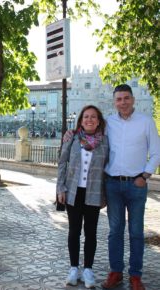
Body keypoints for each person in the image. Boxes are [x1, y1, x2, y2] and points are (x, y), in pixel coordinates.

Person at [101, 84, 160, 290]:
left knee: (136, 232)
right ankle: (115, 272)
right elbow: (90, 136)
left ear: (133, 100)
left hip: (137, 184)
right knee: (115, 231)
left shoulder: (145, 122)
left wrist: (145, 176)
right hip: (113, 184)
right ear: (114, 101)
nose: (123, 102)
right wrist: (70, 135)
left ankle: (136, 275)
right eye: (119, 99)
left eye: (126, 98)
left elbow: (156, 152)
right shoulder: (108, 122)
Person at [56, 105, 109, 289]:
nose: (89, 119)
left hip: (94, 194)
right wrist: (60, 188)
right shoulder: (72, 138)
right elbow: (62, 163)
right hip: (73, 192)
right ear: (81, 120)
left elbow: (108, 169)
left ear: (99, 120)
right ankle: (73, 268)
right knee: (74, 231)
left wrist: (106, 195)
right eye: (86, 116)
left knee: (91, 233)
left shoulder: (105, 142)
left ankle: (88, 270)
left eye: (93, 117)